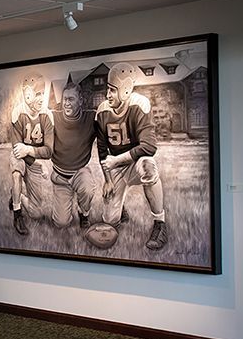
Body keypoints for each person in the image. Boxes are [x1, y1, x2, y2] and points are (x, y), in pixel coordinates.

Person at [95, 63, 167, 250]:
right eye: (107, 90)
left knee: (148, 166)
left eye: (112, 90)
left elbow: (149, 147)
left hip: (135, 163)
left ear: (125, 90)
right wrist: (107, 180)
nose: (107, 95)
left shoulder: (139, 104)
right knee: (110, 222)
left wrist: (118, 159)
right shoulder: (102, 111)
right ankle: (120, 208)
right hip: (116, 169)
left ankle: (160, 224)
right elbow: (102, 150)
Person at [9, 72, 54, 235]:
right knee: (16, 172)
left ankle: (17, 195)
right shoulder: (18, 112)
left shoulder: (47, 115)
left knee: (36, 213)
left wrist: (30, 151)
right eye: (37, 94)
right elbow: (16, 149)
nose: (41, 98)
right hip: (21, 157)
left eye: (42, 93)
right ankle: (17, 213)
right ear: (27, 95)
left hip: (32, 157)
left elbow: (48, 151)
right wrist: (34, 158)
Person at [49, 83, 98, 230]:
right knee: (61, 223)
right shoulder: (53, 118)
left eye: (71, 99)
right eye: (64, 99)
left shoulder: (91, 118)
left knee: (88, 188)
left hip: (79, 172)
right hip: (60, 176)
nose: (67, 103)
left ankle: (84, 213)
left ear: (81, 100)